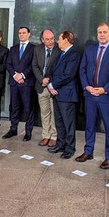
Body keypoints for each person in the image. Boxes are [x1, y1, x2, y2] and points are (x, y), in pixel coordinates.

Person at [77, 22, 109, 168]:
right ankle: (88, 151)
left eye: (104, 32)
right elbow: (82, 70)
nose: (102, 35)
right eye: (99, 32)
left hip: (106, 96)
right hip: (89, 94)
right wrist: (86, 86)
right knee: (89, 125)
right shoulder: (89, 49)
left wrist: (105, 89)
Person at [47, 31, 81, 159]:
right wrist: (52, 85)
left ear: (66, 40)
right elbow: (53, 71)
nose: (57, 42)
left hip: (67, 94)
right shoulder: (61, 54)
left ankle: (69, 149)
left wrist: (52, 86)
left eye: (59, 39)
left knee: (68, 123)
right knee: (59, 122)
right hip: (57, 93)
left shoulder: (74, 55)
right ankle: (60, 145)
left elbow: (68, 74)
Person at [5, 26, 35, 140]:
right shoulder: (13, 48)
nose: (21, 35)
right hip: (14, 82)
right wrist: (15, 75)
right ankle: (13, 129)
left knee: (28, 108)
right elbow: (8, 64)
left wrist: (22, 75)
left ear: (28, 34)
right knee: (14, 107)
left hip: (26, 82)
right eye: (19, 33)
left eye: (23, 33)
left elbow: (33, 65)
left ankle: (28, 132)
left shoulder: (33, 49)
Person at [32, 29, 60, 147]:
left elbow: (59, 68)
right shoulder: (37, 49)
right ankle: (46, 135)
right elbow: (34, 66)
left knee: (54, 112)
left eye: (52, 38)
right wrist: (41, 79)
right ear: (42, 40)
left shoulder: (59, 49)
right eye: (47, 39)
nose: (50, 41)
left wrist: (50, 81)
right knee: (44, 112)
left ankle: (54, 136)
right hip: (41, 85)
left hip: (53, 86)